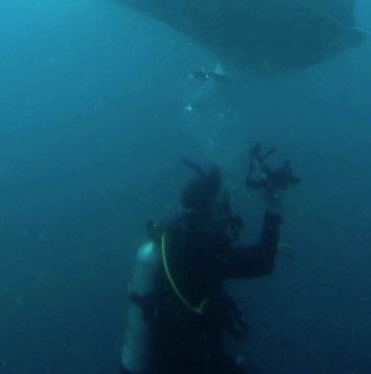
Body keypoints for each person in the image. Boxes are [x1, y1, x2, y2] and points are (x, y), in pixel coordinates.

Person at [121, 148, 298, 374]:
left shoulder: (178, 236)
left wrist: (272, 248)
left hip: (186, 354)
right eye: (223, 206)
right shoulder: (198, 253)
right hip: (187, 362)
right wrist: (273, 208)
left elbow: (225, 257)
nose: (228, 214)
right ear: (207, 211)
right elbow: (262, 262)